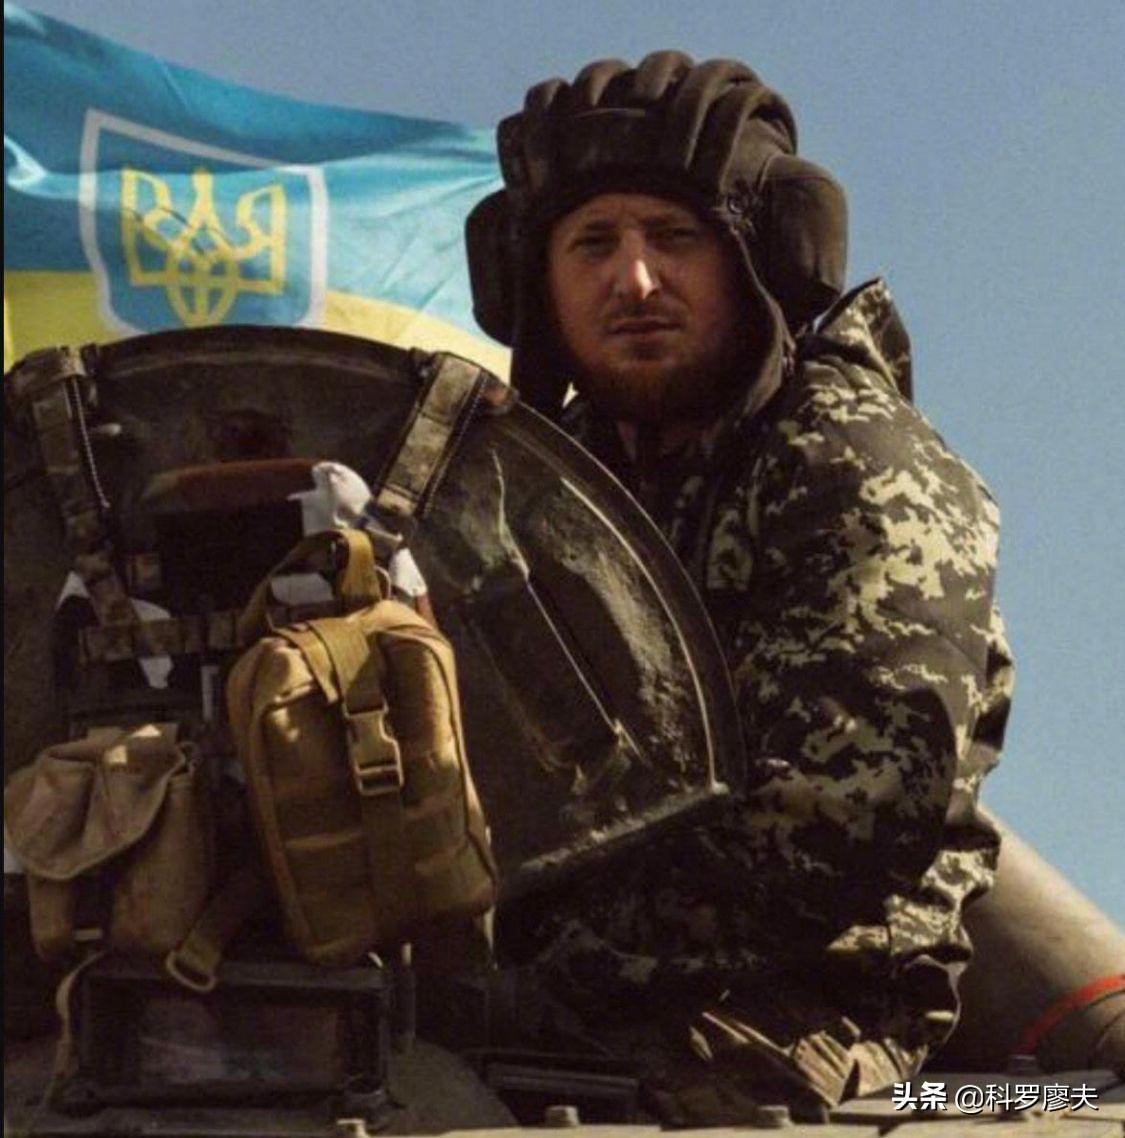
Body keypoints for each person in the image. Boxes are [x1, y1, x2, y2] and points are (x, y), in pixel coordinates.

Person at [464, 53, 1014, 1121]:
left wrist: (538, 964)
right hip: (570, 997)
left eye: (673, 238)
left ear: (753, 258)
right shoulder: (540, 488)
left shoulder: (851, 456)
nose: (633, 282)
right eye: (591, 244)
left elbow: (844, 812)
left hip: (794, 1017)